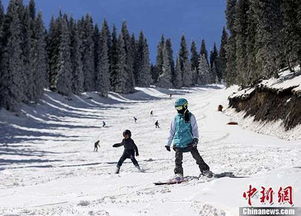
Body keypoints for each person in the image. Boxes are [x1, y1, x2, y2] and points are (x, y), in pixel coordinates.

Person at [165, 98, 212, 178]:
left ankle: (205, 170)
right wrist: (168, 143)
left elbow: (194, 129)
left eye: (180, 108)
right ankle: (178, 174)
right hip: (178, 143)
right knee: (178, 160)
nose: (178, 110)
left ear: (185, 106)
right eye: (177, 108)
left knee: (197, 157)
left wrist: (195, 138)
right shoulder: (175, 118)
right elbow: (172, 131)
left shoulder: (190, 116)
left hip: (189, 142)